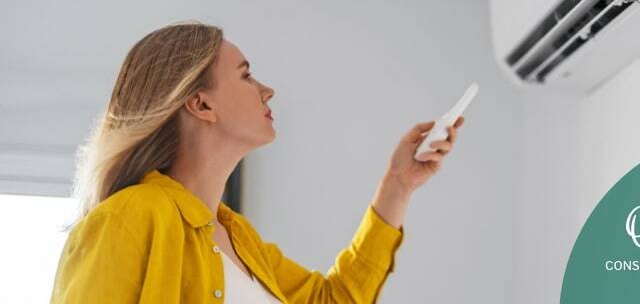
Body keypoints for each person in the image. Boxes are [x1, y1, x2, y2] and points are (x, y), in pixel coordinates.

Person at [49, 21, 464, 303]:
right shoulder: (130, 216)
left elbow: (331, 299)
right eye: (246, 75)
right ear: (200, 102)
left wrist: (398, 184)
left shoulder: (237, 236)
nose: (267, 90)